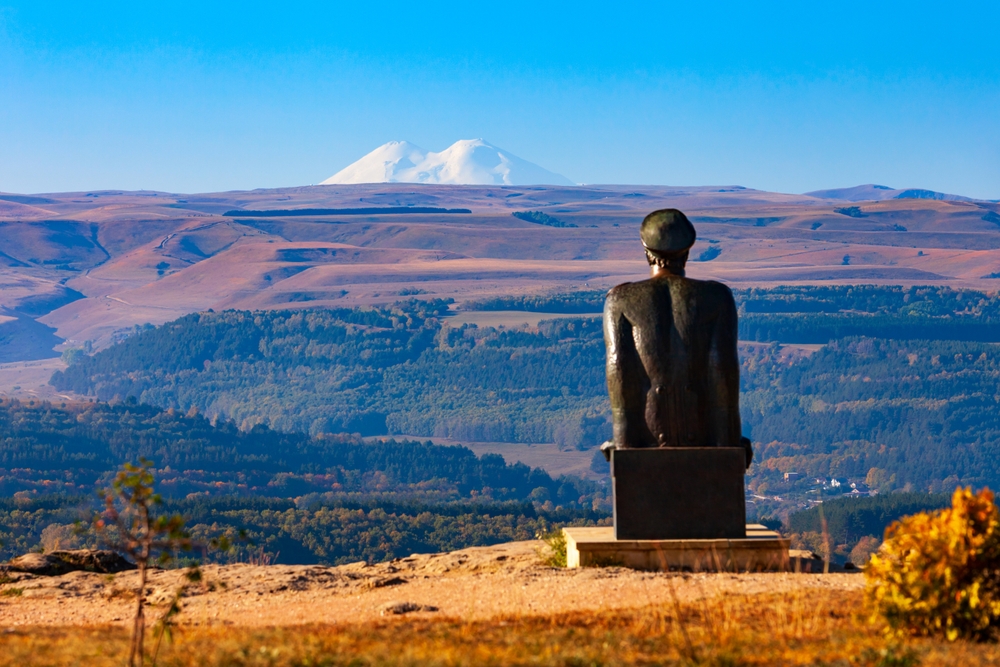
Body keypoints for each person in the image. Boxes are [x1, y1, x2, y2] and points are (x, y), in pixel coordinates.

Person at [601, 208, 752, 466]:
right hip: (705, 438)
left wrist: (622, 443)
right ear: (687, 252)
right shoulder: (716, 297)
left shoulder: (620, 300)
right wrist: (729, 444)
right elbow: (723, 371)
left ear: (647, 253)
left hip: (644, 440)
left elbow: (620, 373)